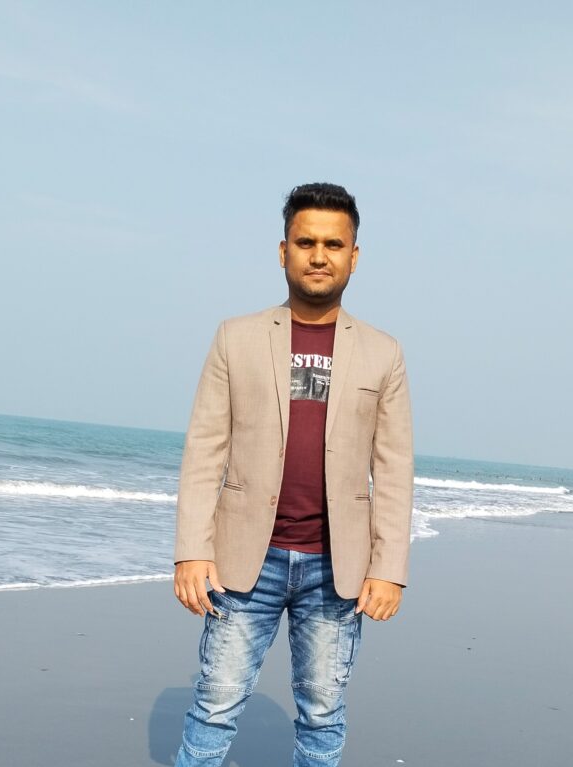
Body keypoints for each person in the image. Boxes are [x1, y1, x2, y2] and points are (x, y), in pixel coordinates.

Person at [172, 182, 414, 766]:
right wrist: (191, 552)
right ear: (284, 251)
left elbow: (394, 468)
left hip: (337, 567)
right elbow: (205, 449)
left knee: (323, 712)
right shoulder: (236, 337)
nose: (319, 256)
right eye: (306, 242)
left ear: (354, 256)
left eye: (334, 244)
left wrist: (389, 569)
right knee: (215, 703)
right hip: (242, 564)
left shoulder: (383, 352)